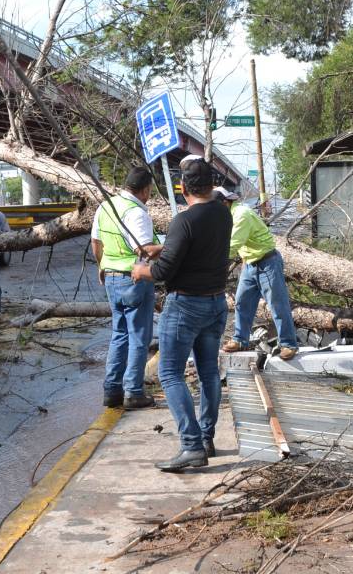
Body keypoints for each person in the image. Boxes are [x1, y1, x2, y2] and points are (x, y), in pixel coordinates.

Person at [132, 157, 232, 472]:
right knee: (208, 373)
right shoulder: (222, 214)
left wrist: (141, 268)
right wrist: (163, 248)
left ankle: (191, 446)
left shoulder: (183, 221)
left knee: (170, 373)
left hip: (186, 306)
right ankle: (206, 439)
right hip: (216, 304)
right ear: (212, 185)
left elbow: (161, 273)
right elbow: (198, 249)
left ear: (183, 188)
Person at [91, 167, 161, 409]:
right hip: (134, 279)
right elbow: (144, 249)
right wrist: (172, 244)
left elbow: (96, 242)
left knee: (119, 334)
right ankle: (133, 391)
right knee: (139, 337)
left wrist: (102, 265)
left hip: (110, 277)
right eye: (150, 190)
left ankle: (112, 391)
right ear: (145, 190)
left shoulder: (105, 206)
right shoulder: (136, 213)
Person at [218, 188, 298, 360]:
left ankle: (288, 343)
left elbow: (232, 245)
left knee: (277, 304)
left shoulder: (241, 215)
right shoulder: (227, 215)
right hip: (250, 263)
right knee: (242, 302)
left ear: (224, 202)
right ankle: (240, 340)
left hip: (266, 262)